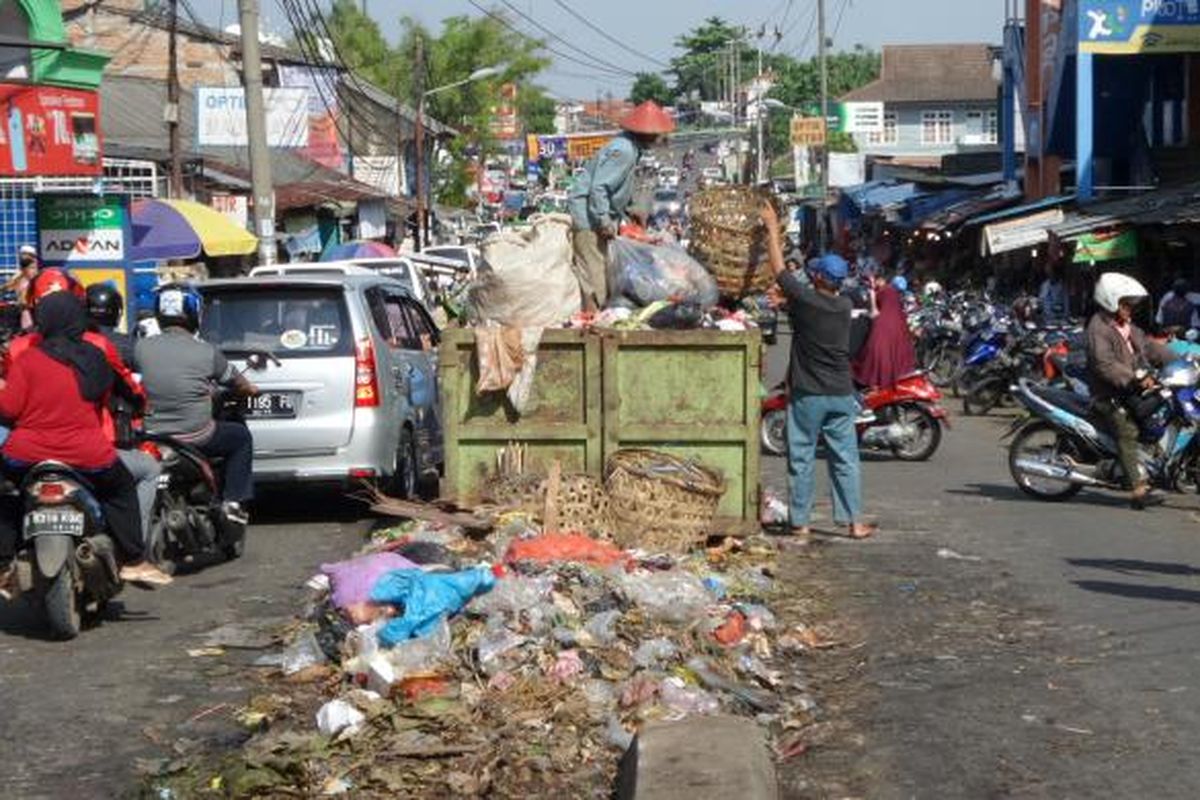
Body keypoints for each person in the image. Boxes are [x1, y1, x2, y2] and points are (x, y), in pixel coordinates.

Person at [0, 290, 172, 597]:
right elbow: (109, 399)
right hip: (88, 454)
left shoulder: (28, 360)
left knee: (7, 496)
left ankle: (3, 566)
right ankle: (133, 559)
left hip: (27, 454)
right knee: (121, 491)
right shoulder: (94, 358)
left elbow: (10, 409)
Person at [761, 203, 875, 540]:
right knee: (845, 460)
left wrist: (771, 228)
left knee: (802, 457)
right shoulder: (843, 305)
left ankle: (801, 521)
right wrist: (788, 303)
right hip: (841, 393)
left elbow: (780, 271)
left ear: (820, 278)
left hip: (809, 393)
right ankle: (854, 523)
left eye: (815, 273)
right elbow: (796, 297)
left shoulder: (807, 301)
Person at [134, 284, 257, 525]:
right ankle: (232, 502)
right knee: (241, 437)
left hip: (151, 437)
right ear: (194, 314)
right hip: (196, 436)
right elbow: (242, 385)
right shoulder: (207, 352)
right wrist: (252, 390)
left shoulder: (140, 348)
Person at [568, 100, 675, 310]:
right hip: (589, 221)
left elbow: (620, 188)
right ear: (645, 133)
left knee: (608, 272)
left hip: (598, 218)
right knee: (595, 275)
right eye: (655, 134)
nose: (657, 139)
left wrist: (628, 214)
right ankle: (596, 321)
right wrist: (604, 221)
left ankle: (602, 314)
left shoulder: (630, 148)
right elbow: (599, 188)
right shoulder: (624, 150)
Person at [83, 282, 161, 546]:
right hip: (109, 437)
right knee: (149, 469)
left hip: (52, 443)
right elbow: (137, 390)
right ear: (116, 313)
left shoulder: (54, 347)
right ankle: (134, 543)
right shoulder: (126, 346)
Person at [1086, 272, 1172, 510]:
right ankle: (1137, 490)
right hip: (1108, 394)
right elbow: (1105, 365)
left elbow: (1151, 348)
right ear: (1111, 301)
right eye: (1126, 304)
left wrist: (1184, 359)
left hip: (1128, 390)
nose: (1131, 309)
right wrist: (1134, 377)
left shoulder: (1127, 327)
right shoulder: (1098, 328)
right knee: (1127, 432)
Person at [853, 270, 917, 388]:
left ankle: (876, 384)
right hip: (899, 328)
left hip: (882, 327)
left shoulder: (882, 291)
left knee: (874, 354)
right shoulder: (895, 294)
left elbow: (874, 313)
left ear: (881, 280)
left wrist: (872, 294)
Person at [5, 244, 40, 330]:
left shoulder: (32, 268)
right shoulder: (20, 274)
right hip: (24, 308)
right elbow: (9, 287)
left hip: (32, 308)